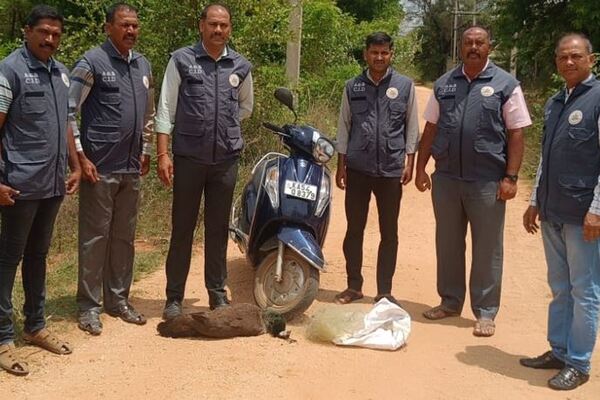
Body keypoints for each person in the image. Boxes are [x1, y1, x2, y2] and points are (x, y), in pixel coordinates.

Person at [415, 26, 532, 337]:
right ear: (461, 47)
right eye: (468, 42)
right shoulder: (444, 84)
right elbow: (431, 128)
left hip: (487, 182)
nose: (474, 47)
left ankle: (485, 312)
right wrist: (420, 167)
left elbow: (517, 132)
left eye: (480, 42)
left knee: (487, 248)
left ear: (489, 46)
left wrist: (511, 176)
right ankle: (450, 301)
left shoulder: (506, 84)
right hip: (448, 179)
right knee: (448, 244)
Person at [155, 3, 253, 319]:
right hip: (188, 158)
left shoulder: (240, 66)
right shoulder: (182, 60)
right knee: (182, 228)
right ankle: (174, 298)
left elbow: (245, 107)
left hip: (225, 160)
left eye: (223, 25)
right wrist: (162, 153)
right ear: (201, 26)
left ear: (230, 29)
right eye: (212, 24)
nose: (218, 30)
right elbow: (166, 108)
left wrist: (223, 126)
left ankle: (216, 294)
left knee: (217, 228)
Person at [0, 5, 80, 376]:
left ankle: (35, 325)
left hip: (52, 183)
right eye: (44, 32)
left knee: (38, 256)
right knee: (7, 259)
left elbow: (66, 121)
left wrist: (76, 164)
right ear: (28, 32)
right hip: (18, 184)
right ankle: (2, 338)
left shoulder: (61, 73)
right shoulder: (9, 70)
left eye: (56, 34)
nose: (50, 39)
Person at [519, 33, 600, 391]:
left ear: (591, 59)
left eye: (576, 56)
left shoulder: (597, 99)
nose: (569, 62)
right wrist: (534, 199)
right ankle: (559, 349)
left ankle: (579, 363)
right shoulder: (555, 102)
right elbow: (546, 157)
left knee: (585, 290)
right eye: (563, 57)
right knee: (560, 286)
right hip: (553, 210)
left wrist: (596, 210)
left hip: (584, 216)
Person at [69, 3, 154, 335]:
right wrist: (80, 157)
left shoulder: (143, 64)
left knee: (123, 238)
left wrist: (146, 149)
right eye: (124, 25)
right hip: (98, 167)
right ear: (108, 28)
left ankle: (117, 301)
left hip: (131, 168)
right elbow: (68, 111)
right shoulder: (91, 62)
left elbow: (148, 115)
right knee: (95, 239)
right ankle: (89, 306)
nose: (130, 31)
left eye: (135, 26)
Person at [334, 32, 419, 306]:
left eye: (384, 52)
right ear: (365, 54)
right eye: (374, 52)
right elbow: (344, 127)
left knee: (389, 232)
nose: (379, 57)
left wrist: (410, 162)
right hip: (358, 168)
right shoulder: (352, 86)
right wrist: (341, 165)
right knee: (354, 229)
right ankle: (353, 286)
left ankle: (384, 291)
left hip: (391, 169)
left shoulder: (405, 86)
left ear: (391, 54)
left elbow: (412, 127)